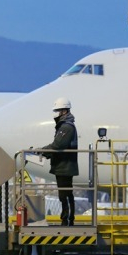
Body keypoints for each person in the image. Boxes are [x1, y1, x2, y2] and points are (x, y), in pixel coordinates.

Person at [39, 97, 79, 226]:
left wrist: (42, 151)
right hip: (64, 165)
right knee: (65, 193)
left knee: (65, 194)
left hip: (65, 165)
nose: (55, 113)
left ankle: (67, 219)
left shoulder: (66, 127)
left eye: (57, 111)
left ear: (64, 111)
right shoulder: (64, 126)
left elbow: (58, 145)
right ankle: (68, 218)